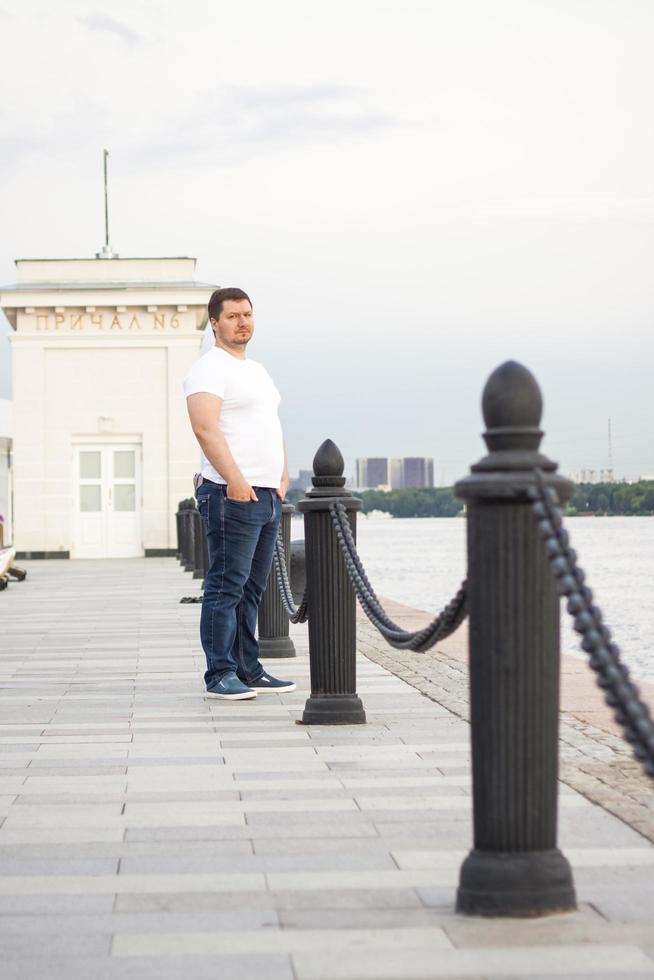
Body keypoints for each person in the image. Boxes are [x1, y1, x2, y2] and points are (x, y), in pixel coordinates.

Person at [184, 287, 296, 700]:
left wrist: (281, 477)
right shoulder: (208, 368)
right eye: (232, 316)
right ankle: (219, 674)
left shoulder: (259, 371)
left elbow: (272, 426)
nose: (242, 322)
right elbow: (204, 427)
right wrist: (235, 479)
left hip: (267, 495)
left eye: (247, 314)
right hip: (231, 493)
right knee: (225, 586)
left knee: (252, 588)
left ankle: (248, 669)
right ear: (214, 322)